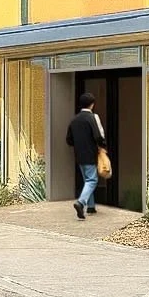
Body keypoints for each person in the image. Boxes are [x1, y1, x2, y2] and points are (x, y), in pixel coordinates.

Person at [65, 92, 106, 220]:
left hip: (79, 155)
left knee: (87, 180)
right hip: (90, 154)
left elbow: (69, 140)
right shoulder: (92, 118)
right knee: (92, 180)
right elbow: (99, 136)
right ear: (92, 104)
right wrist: (103, 146)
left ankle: (91, 207)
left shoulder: (74, 120)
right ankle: (81, 202)